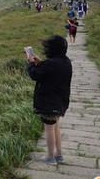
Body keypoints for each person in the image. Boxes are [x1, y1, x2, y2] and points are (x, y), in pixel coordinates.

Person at [25, 35, 72, 165]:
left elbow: (35, 74)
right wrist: (41, 63)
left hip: (49, 102)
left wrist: (30, 63)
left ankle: (50, 157)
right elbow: (50, 70)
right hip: (60, 101)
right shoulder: (65, 61)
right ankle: (59, 155)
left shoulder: (52, 64)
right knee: (55, 126)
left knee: (49, 129)